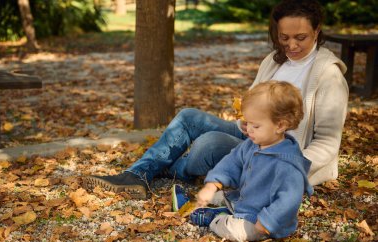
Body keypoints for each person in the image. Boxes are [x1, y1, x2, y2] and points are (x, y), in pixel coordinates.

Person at [82, 0, 348, 199]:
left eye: (300, 37)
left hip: (277, 154)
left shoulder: (328, 75)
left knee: (207, 145)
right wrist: (247, 120)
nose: (291, 45)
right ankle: (137, 175)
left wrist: (288, 168)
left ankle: (160, 167)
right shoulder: (274, 60)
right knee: (188, 116)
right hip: (252, 135)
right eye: (283, 37)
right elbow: (256, 103)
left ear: (317, 31)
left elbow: (326, 142)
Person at [172, 80, 313, 242]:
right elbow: (232, 162)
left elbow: (288, 200)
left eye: (256, 126)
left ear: (280, 126)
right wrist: (212, 185)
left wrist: (267, 222)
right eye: (248, 123)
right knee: (218, 195)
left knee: (233, 230)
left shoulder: (288, 165)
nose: (249, 130)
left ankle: (214, 218)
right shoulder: (252, 144)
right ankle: (198, 200)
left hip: (261, 222)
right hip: (243, 200)